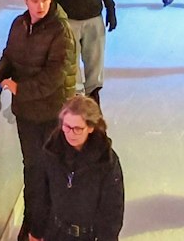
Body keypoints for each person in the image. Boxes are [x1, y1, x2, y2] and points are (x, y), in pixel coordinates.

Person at [0, 0, 76, 241]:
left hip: (51, 113)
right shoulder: (19, 24)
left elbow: (55, 77)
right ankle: (34, 222)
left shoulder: (60, 31)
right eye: (34, 0)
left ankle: (44, 227)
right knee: (32, 168)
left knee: (49, 170)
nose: (40, 6)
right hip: (26, 113)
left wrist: (20, 89)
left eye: (45, 0)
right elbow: (10, 55)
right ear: (26, 0)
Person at [30, 95, 124, 241]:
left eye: (77, 129)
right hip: (55, 233)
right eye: (66, 127)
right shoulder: (52, 152)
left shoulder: (106, 161)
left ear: (91, 127)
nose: (71, 134)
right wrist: (36, 231)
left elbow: (112, 209)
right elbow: (42, 195)